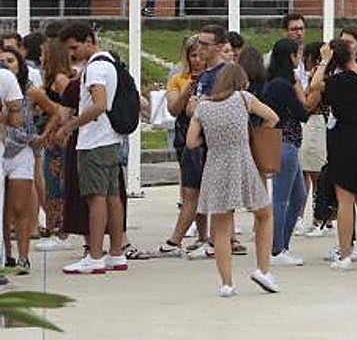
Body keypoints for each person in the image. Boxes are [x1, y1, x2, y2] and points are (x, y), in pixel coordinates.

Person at [187, 63, 280, 296]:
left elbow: (190, 142)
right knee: (264, 213)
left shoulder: (203, 107)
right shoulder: (243, 98)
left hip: (215, 165)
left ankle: (226, 284)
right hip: (242, 161)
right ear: (241, 81)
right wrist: (253, 135)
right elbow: (272, 118)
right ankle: (263, 269)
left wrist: (207, 141)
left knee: (220, 228)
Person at [57, 23, 128, 276]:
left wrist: (70, 126)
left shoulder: (96, 67)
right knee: (112, 196)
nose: (73, 54)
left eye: (75, 47)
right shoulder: (110, 62)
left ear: (89, 40)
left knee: (95, 197)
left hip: (94, 140)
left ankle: (95, 255)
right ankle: (116, 252)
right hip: (111, 139)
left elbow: (99, 104)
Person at [306, 40, 357, 271]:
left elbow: (314, 85)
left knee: (345, 198)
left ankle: (346, 254)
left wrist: (324, 61)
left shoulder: (337, 81)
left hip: (344, 137)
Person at [137, 34, 209, 259]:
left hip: (208, 136)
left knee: (196, 191)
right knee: (192, 188)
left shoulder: (215, 77)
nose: (197, 60)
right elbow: (174, 108)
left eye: (200, 54)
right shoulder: (178, 78)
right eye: (193, 55)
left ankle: (177, 240)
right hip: (186, 135)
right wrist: (189, 88)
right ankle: (202, 235)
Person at [1, 45, 54, 274]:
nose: (6, 64)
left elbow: (54, 111)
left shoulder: (30, 90)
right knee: (3, 208)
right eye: (2, 61)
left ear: (20, 65)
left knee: (18, 206)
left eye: (10, 60)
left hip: (21, 151)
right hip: (2, 147)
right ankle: (7, 255)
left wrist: (43, 137)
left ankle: (23, 256)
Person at [262, 39, 309, 267]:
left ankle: (283, 244)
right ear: (291, 56)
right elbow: (303, 112)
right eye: (298, 54)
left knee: (298, 196)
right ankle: (276, 248)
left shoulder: (275, 82)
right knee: (281, 199)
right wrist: (299, 87)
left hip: (289, 144)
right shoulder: (282, 85)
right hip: (284, 143)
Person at [33, 38, 73, 253]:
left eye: (43, 54)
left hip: (59, 139)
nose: (40, 58)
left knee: (56, 185)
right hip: (55, 139)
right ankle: (56, 227)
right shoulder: (49, 81)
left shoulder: (59, 79)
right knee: (53, 184)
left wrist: (51, 130)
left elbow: (64, 108)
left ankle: (60, 230)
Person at [298, 41, 331, 237]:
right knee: (306, 172)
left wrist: (298, 94)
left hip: (315, 124)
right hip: (313, 125)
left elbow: (309, 104)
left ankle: (321, 218)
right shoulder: (312, 77)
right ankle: (307, 217)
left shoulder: (319, 78)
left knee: (316, 173)